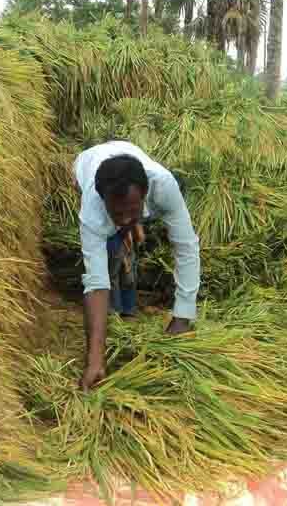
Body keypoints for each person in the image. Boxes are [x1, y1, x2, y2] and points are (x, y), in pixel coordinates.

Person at [73, 141, 200, 390]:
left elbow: (186, 248)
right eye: (116, 214)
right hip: (85, 163)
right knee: (108, 254)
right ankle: (114, 309)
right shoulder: (93, 209)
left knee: (127, 232)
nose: (124, 219)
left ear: (145, 195)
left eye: (132, 211)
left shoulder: (164, 187)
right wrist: (95, 359)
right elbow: (95, 283)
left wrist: (182, 318)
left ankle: (128, 242)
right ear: (102, 200)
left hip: (127, 153)